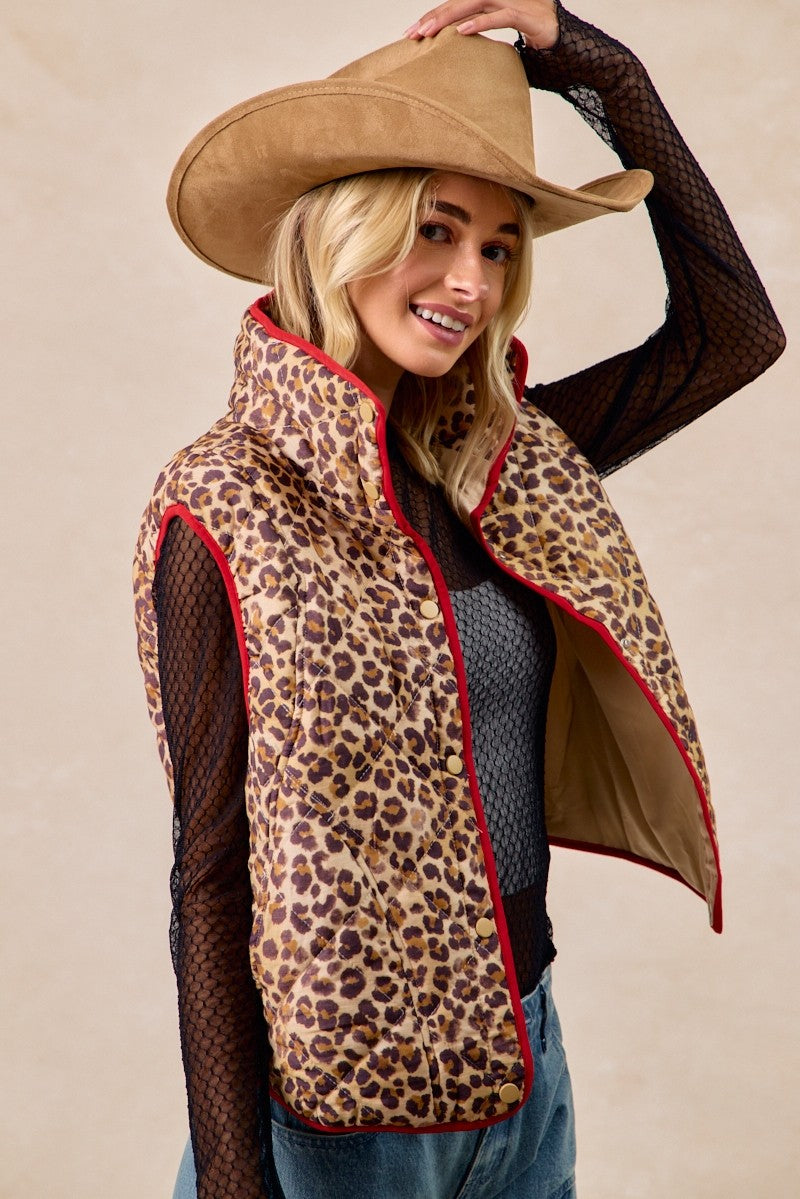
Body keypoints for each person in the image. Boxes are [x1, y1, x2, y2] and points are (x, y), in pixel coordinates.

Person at [132, 2, 785, 1197]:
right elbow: (209, 872)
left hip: (526, 1072)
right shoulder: (224, 503)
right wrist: (233, 1175)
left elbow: (732, 335)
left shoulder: (501, 461)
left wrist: (601, 70)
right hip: (333, 1121)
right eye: (434, 230)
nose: (468, 281)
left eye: (499, 247)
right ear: (347, 227)